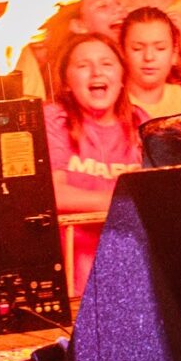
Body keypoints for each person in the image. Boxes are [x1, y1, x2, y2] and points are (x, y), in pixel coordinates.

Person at [43, 31, 142, 300]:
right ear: (66, 81)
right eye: (83, 65)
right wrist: (120, 199)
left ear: (122, 78)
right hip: (72, 281)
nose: (97, 72)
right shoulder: (54, 120)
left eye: (107, 63)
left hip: (131, 277)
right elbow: (54, 193)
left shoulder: (143, 125)